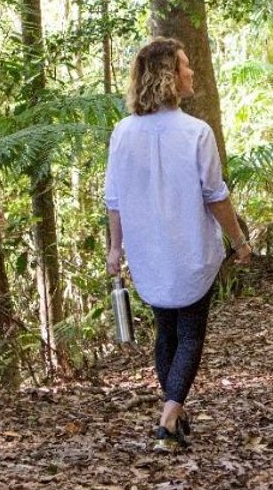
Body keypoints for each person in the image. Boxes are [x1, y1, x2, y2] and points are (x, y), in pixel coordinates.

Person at [105, 37, 252, 452]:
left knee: (166, 331)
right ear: (169, 75)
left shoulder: (122, 133)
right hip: (188, 248)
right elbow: (215, 195)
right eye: (185, 65)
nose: (191, 72)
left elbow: (113, 199)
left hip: (147, 251)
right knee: (189, 334)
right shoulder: (196, 132)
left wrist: (116, 249)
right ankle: (169, 417)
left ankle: (174, 411)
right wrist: (239, 241)